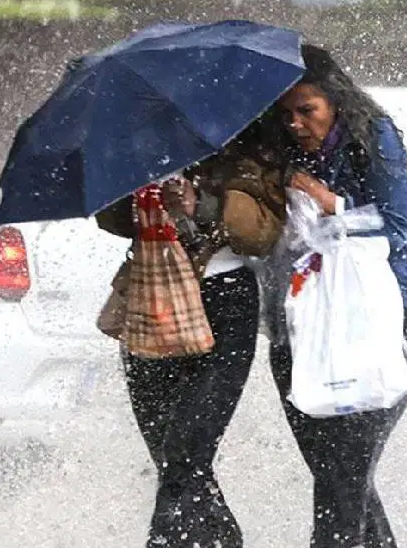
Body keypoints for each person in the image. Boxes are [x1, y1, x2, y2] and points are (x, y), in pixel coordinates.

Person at [95, 121, 287, 548]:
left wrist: (200, 203)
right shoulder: (136, 137)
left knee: (185, 453)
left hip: (225, 302)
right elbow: (110, 217)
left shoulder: (244, 136)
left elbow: (262, 233)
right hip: (151, 296)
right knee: (171, 458)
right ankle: (223, 539)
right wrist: (133, 186)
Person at [262, 43, 407, 548]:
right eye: (285, 113)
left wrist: (329, 202)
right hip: (300, 318)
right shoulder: (280, 151)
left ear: (335, 101)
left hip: (370, 315)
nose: (296, 123)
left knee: (345, 473)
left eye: (306, 110)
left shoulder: (373, 137)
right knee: (336, 472)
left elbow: (396, 226)